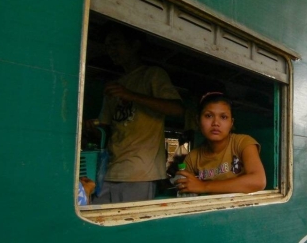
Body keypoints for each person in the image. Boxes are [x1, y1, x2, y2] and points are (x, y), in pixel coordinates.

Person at [88, 25, 184, 204]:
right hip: (109, 170)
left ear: (134, 45)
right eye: (108, 45)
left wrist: (130, 95)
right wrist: (89, 128)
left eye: (116, 43)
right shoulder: (113, 86)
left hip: (140, 173)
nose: (111, 50)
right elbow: (104, 130)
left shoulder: (152, 75)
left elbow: (176, 109)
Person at [174, 92, 266, 194]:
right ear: (198, 120)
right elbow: (186, 188)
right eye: (208, 116)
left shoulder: (242, 143)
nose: (216, 123)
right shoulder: (193, 158)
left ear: (231, 123)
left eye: (223, 117)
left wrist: (204, 186)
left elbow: (258, 181)